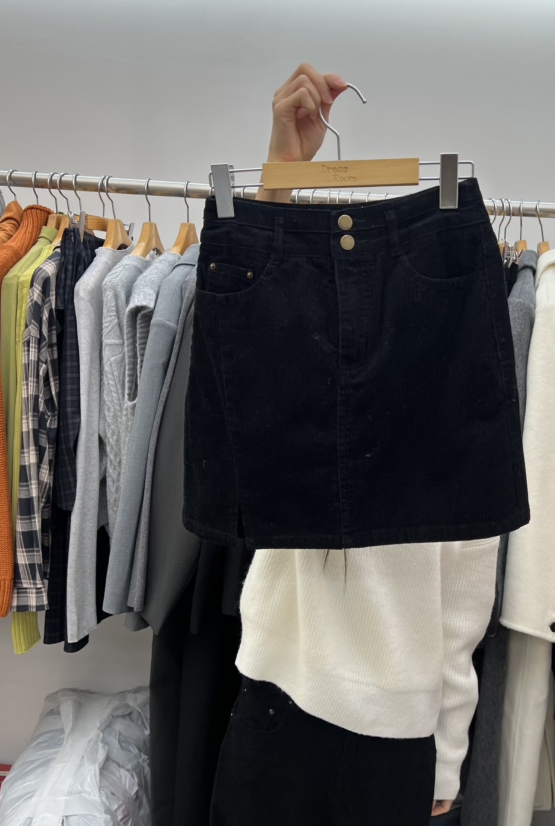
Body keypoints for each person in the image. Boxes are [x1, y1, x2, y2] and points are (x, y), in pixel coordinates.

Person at [209, 64, 499, 826]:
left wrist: (448, 748)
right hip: (277, 694)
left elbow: (468, 579)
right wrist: (281, 171)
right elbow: (251, 329)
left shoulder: (449, 352)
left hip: (391, 729)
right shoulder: (296, 358)